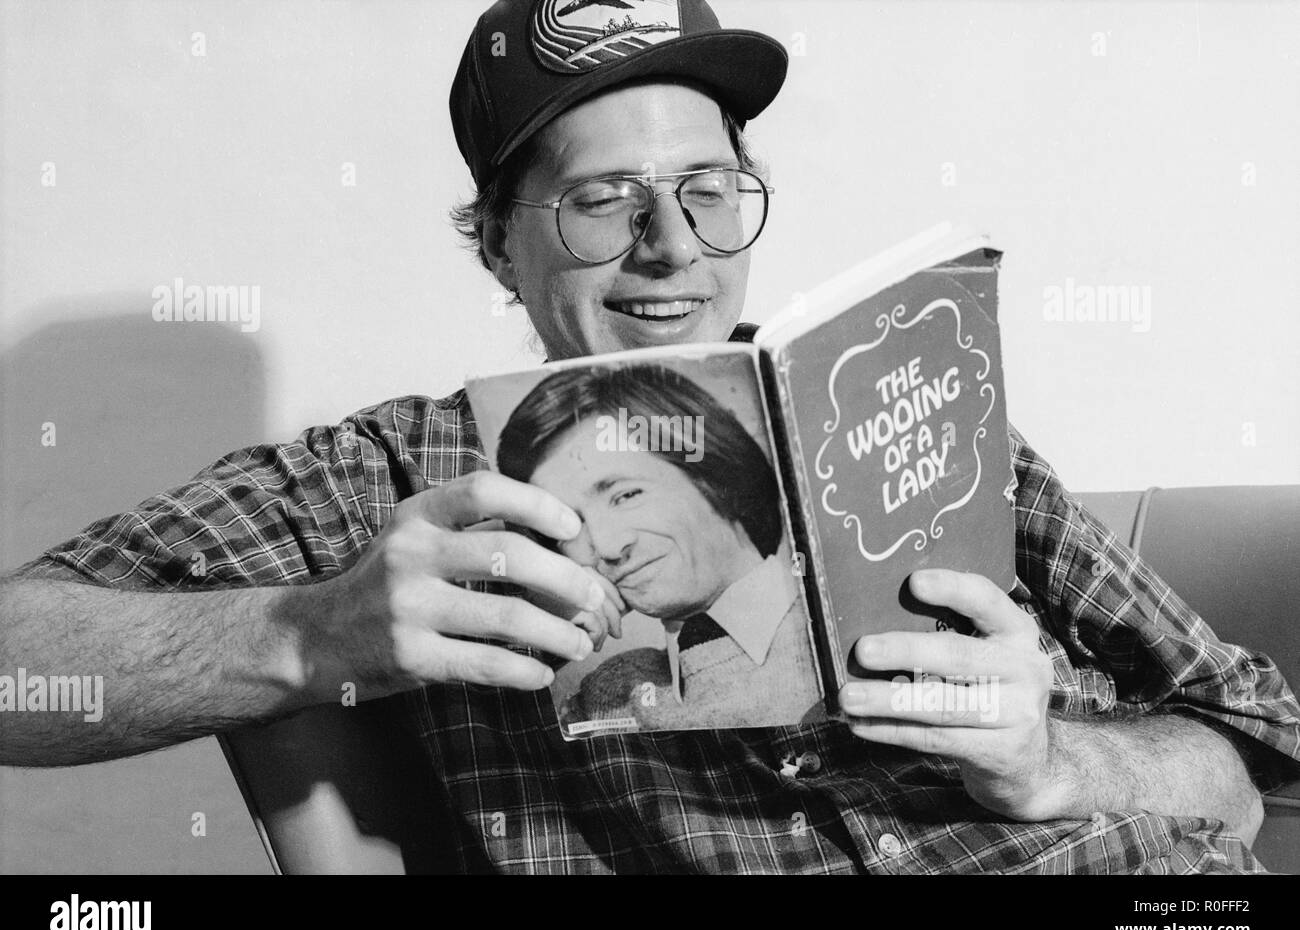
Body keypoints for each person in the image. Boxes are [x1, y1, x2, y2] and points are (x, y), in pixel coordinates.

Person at [2, 0, 1298, 872]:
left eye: (707, 190)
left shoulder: (919, 410)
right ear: (497, 244)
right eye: (603, 200)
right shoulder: (388, 482)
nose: (672, 247)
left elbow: (1251, 763)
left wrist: (1051, 763)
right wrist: (310, 632)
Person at [495, 363, 823, 730]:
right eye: (568, 526)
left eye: (626, 495)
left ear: (714, 475)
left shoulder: (838, 632)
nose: (608, 546)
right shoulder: (610, 694)